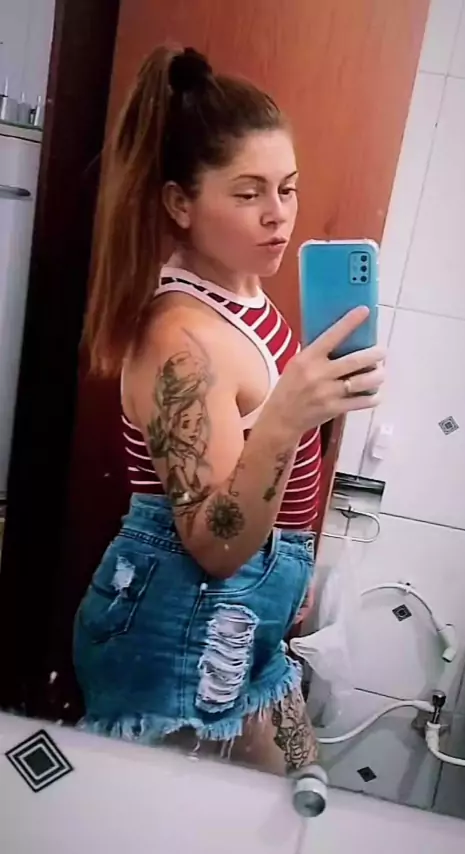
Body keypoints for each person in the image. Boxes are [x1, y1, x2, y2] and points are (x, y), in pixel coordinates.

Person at [73, 45, 384, 775]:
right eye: (248, 195)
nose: (279, 216)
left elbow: (266, 474)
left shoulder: (244, 291)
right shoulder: (182, 339)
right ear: (181, 203)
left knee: (302, 793)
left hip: (248, 616)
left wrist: (293, 565)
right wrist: (287, 416)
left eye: (288, 188)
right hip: (176, 632)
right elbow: (212, 544)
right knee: (180, 823)